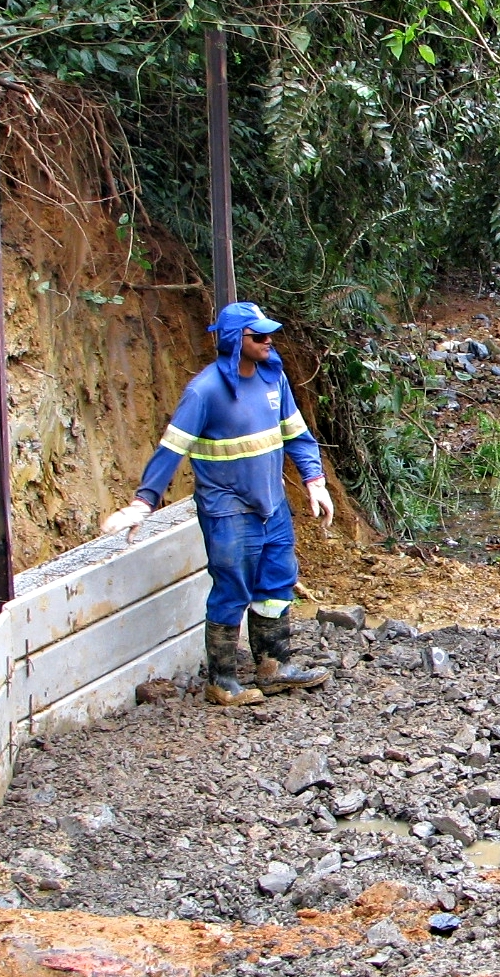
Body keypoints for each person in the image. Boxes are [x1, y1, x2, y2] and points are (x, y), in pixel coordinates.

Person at [102, 302, 337, 706]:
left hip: (272, 506)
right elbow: (171, 449)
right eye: (258, 336)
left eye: (269, 334)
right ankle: (222, 681)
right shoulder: (205, 391)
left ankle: (274, 667)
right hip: (228, 509)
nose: (268, 342)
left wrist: (315, 481)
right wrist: (144, 501)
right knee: (231, 588)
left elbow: (297, 435)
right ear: (234, 340)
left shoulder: (273, 379)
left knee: (277, 581)